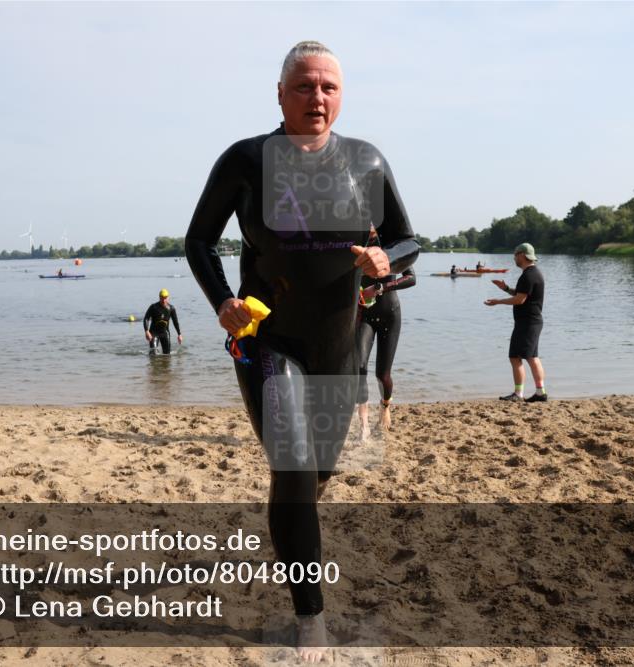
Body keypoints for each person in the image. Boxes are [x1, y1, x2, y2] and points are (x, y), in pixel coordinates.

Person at [185, 41, 418, 661]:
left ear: (341, 96)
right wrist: (221, 303)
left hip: (340, 345)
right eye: (305, 86)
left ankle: (291, 519)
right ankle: (309, 616)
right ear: (281, 94)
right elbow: (199, 241)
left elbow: (407, 239)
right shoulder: (246, 160)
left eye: (329, 88)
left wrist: (384, 257)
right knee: (291, 467)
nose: (318, 97)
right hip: (269, 341)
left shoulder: (365, 162)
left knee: (316, 475)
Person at [356, 227, 416, 439]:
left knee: (383, 375)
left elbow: (411, 278)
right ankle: (363, 424)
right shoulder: (355, 245)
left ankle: (385, 406)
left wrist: (380, 288)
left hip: (391, 314)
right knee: (359, 368)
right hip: (365, 316)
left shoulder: (392, 247)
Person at [485, 242, 547, 402]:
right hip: (532, 321)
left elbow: (520, 300)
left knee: (516, 357)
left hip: (527, 323)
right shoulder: (533, 273)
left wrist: (497, 302)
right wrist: (505, 288)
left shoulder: (528, 275)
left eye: (515, 254)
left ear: (522, 255)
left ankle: (519, 394)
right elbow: (521, 294)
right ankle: (540, 392)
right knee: (532, 357)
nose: (514, 257)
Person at [143, 289, 182, 354]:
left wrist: (179, 334)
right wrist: (147, 331)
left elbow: (175, 322)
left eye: (165, 298)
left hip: (165, 333)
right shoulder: (153, 307)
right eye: (162, 298)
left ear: (168, 297)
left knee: (167, 355)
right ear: (159, 297)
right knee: (153, 353)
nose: (164, 300)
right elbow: (146, 319)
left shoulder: (171, 308)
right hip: (154, 333)